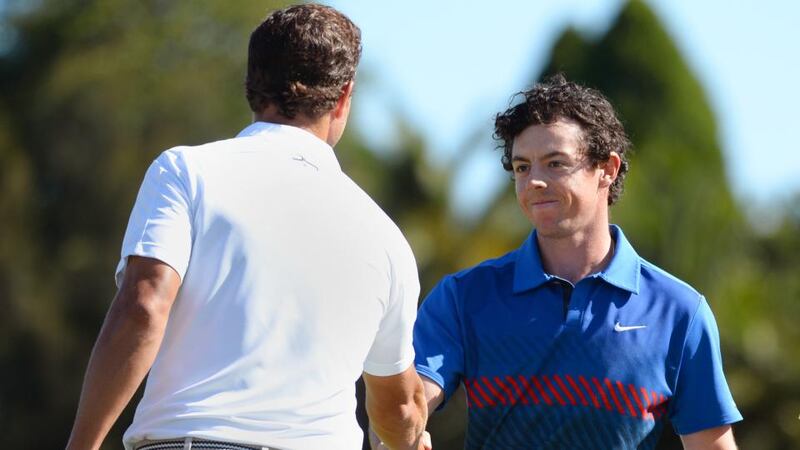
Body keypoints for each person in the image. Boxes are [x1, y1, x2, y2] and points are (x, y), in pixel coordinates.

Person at [66, 4, 428, 450]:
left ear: (251, 85)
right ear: (343, 96)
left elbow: (143, 305)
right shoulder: (386, 237)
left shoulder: (185, 172)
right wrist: (410, 439)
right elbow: (399, 407)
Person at [411, 75, 742, 449]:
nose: (534, 181)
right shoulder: (463, 297)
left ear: (608, 169)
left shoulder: (679, 311)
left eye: (555, 163)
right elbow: (411, 402)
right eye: (522, 167)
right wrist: (397, 432)